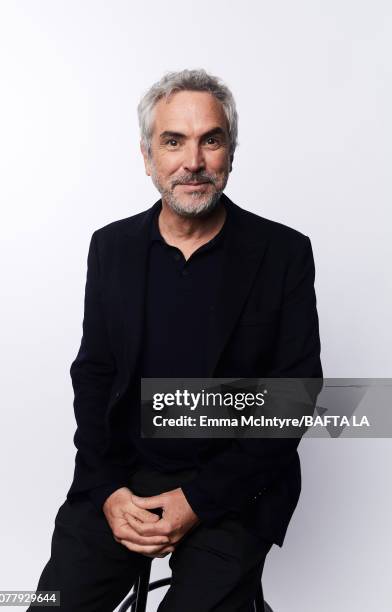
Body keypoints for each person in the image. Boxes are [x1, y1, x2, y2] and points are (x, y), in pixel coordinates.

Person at [29, 69, 322, 611]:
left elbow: (294, 397)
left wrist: (198, 500)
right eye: (173, 141)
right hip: (125, 474)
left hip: (235, 482)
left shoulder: (283, 253)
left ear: (230, 152)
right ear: (147, 157)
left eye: (210, 139)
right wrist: (109, 490)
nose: (193, 161)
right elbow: (93, 375)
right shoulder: (111, 248)